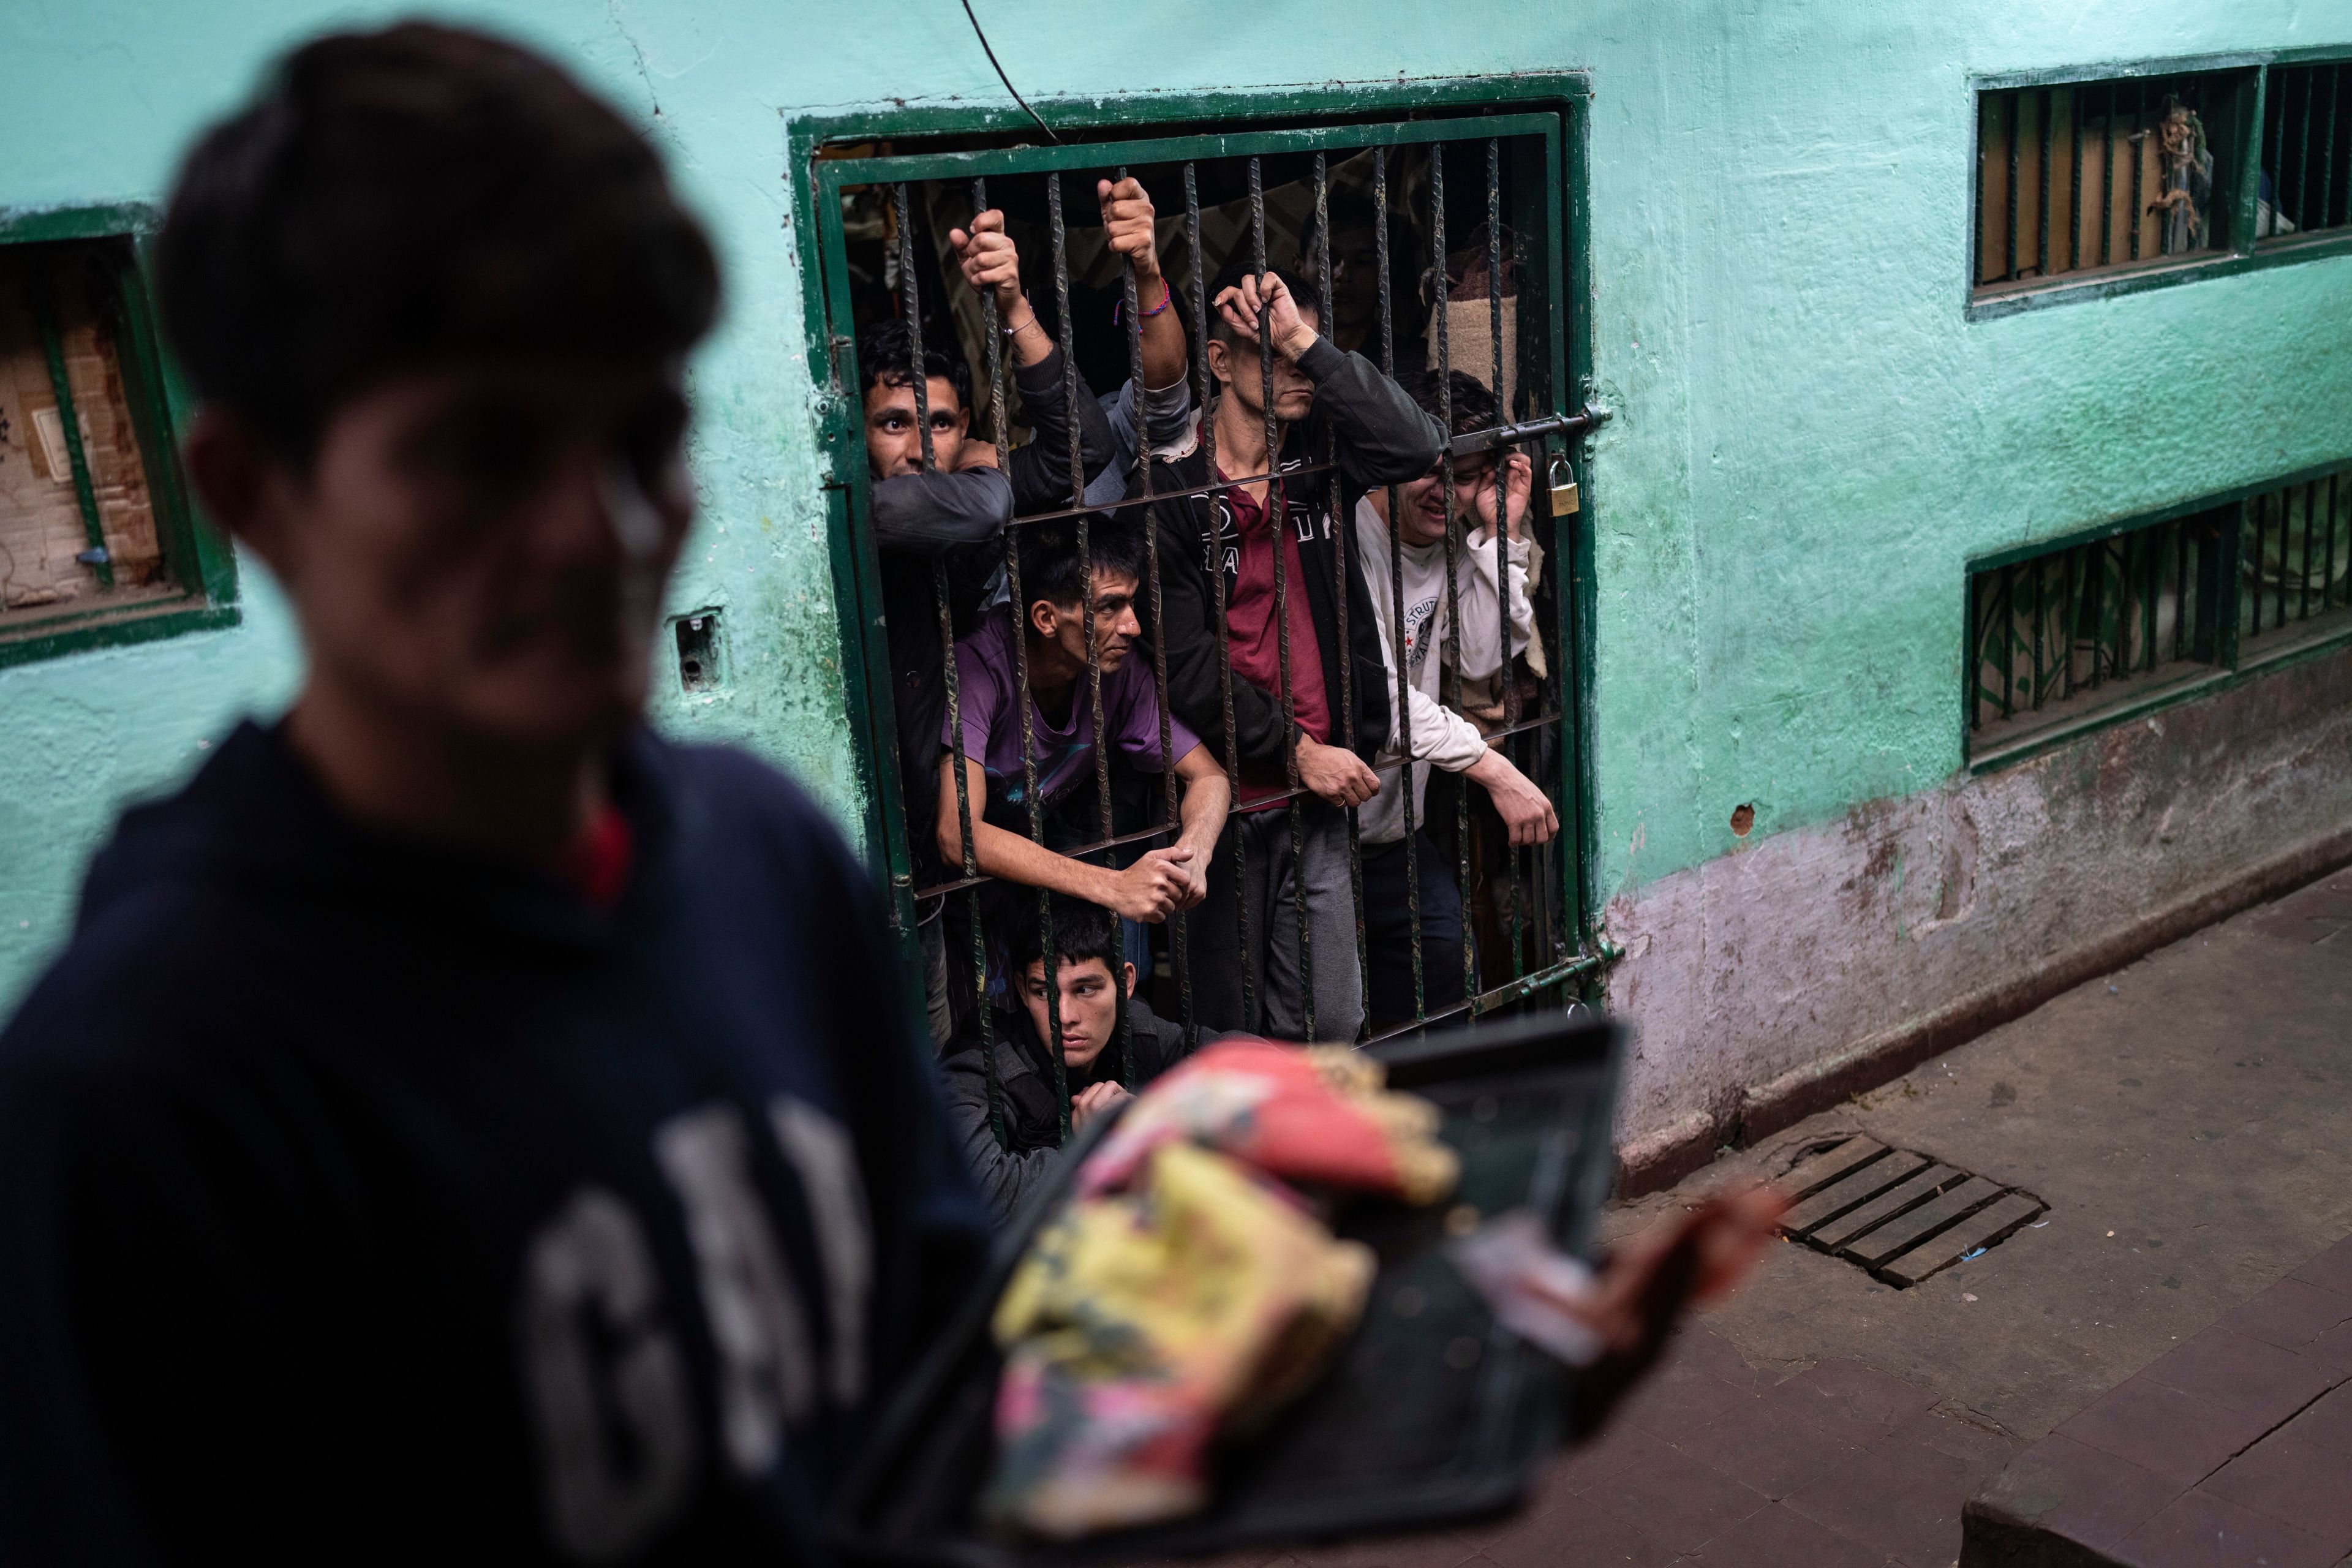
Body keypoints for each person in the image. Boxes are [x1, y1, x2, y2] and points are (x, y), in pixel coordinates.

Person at [0, 26, 990, 1564]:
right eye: (483, 453)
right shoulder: (142, 1093)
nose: (596, 532)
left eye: (642, 439)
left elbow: (944, 1389)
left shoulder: (767, 855)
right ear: (256, 495)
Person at [1142, 260, 1441, 1042]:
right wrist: (1295, 748)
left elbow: (1416, 443)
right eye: (1265, 352)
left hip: (1321, 794)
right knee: (1233, 1032)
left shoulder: (1319, 462)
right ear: (1217, 362)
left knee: (1334, 1019)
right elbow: (1187, 663)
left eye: (1296, 351)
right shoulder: (1171, 495)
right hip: (1227, 795)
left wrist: (1302, 337)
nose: (1291, 369)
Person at [864, 209, 1116, 1046]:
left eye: (939, 424)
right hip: (892, 831)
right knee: (923, 1034)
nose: (920, 448)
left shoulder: (968, 480)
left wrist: (1012, 304)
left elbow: (1083, 451)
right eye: (895, 423)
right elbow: (964, 506)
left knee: (1003, 1016)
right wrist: (987, 477)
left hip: (983, 800)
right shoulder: (865, 507)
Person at [1354, 370, 1558, 1028]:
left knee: (1437, 997)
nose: (1448, 492)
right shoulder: (1350, 536)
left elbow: (1479, 656)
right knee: (1337, 1025)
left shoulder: (1451, 541)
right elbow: (1377, 700)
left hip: (1397, 826)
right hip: (1323, 834)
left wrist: (1500, 532)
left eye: (1468, 477)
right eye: (1432, 470)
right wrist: (1494, 769)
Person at [938, 515, 1229, 969]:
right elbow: (958, 835)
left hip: (1049, 860)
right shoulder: (980, 667)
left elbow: (1208, 775)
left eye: (1132, 603)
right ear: (1045, 618)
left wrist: (1194, 854)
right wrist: (1114, 887)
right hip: (949, 892)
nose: (1133, 626)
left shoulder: (1119, 673)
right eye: (1110, 607)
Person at [940, 897, 1188, 1223]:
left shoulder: (1139, 1034)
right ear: (1022, 990)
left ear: (1125, 983)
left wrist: (1146, 1122)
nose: (1064, 1017)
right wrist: (1087, 1148)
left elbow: (1254, 1069)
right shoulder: (986, 1057)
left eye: (1085, 989)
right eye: (1044, 992)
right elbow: (974, 1190)